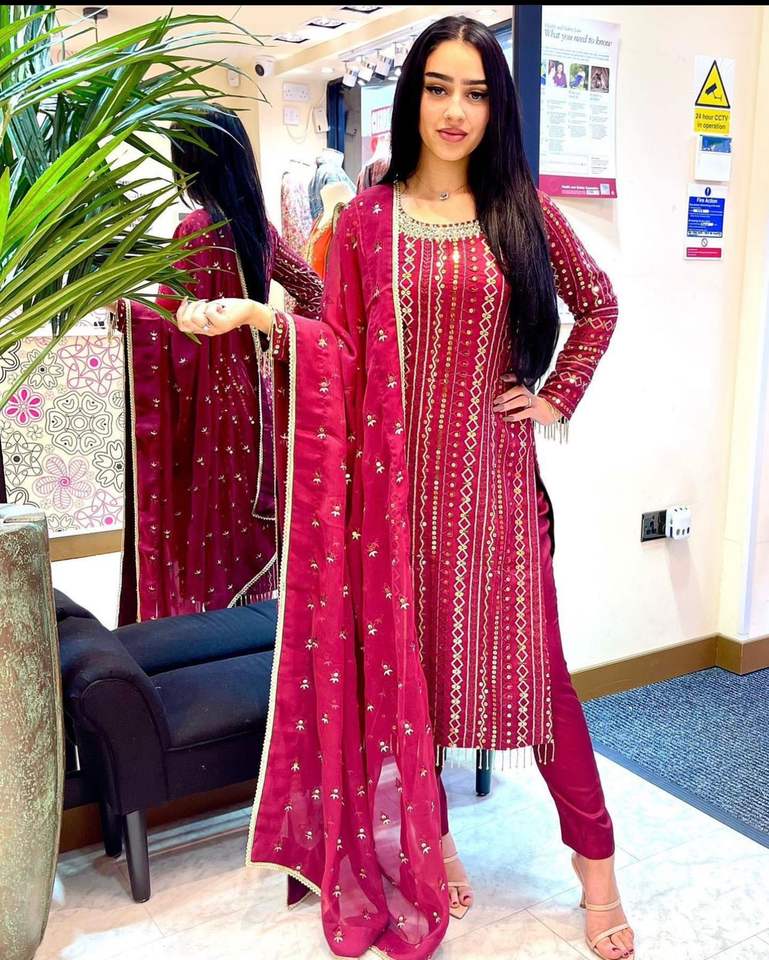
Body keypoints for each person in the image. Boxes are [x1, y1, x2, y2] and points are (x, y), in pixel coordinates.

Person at [177, 17, 635, 960]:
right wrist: (264, 315)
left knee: (543, 687)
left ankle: (598, 871)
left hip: (497, 495)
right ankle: (435, 847)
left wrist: (554, 397)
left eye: (475, 92)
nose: (455, 110)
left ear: (496, 108)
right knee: (406, 678)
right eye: (437, 87)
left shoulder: (521, 211)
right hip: (393, 500)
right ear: (412, 95)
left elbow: (598, 304)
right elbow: (339, 347)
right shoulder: (365, 221)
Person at [113, 108, 323, 623]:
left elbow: (170, 320)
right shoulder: (259, 228)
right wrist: (274, 340)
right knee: (241, 524)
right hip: (254, 401)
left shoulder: (195, 227)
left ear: (191, 163)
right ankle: (253, 630)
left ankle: (206, 635)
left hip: (208, 409)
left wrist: (121, 308)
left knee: (208, 530)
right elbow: (316, 293)